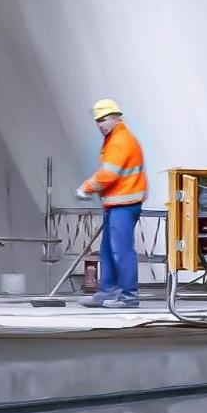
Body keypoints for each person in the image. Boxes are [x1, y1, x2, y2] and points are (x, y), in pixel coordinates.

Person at [83, 99, 147, 307]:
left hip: (125, 204)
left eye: (104, 119)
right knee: (108, 251)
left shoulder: (121, 141)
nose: (101, 124)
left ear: (116, 117)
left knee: (121, 250)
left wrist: (85, 187)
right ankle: (106, 293)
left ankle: (129, 296)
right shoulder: (114, 139)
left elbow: (108, 175)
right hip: (116, 204)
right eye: (98, 121)